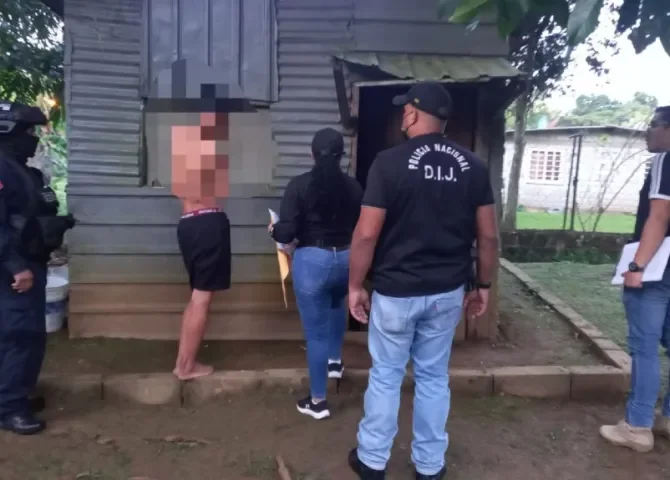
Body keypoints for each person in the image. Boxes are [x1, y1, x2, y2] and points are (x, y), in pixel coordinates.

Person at [346, 82, 498, 479]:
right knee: (433, 376)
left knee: (386, 374)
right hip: (447, 292)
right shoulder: (474, 166)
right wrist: (483, 286)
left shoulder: (388, 163)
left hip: (396, 292)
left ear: (412, 113)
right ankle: (429, 466)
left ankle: (372, 460)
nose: (402, 115)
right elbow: (488, 236)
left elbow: (366, 234)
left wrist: (355, 286)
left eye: (405, 110)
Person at [269, 128, 363, 420]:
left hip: (312, 262)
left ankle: (318, 401)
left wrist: (274, 229)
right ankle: (335, 361)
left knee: (315, 335)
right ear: (341, 156)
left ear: (312, 154)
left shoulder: (299, 186)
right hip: (347, 259)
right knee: (336, 304)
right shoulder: (354, 187)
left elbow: (287, 232)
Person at [0, 101, 73, 435]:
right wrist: (16, 266)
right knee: (18, 336)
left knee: (29, 334)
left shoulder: (19, 169)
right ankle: (9, 408)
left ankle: (17, 395)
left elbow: (28, 215)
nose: (33, 137)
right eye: (28, 131)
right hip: (14, 269)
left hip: (31, 261)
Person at [600, 106, 670, 452]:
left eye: (653, 124)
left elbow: (660, 216)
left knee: (644, 348)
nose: (647, 131)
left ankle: (637, 426)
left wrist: (637, 266)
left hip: (658, 268)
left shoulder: (665, 161)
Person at [171, 112, 232, 381]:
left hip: (189, 224)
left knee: (197, 295)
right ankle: (186, 367)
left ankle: (183, 362)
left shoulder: (181, 153)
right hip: (206, 225)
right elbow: (195, 192)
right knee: (201, 298)